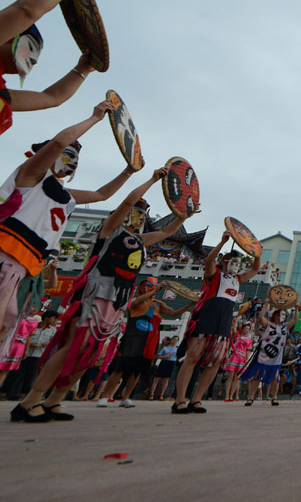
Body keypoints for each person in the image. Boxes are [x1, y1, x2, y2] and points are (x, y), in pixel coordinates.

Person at [12, 167, 186, 422]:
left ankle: (54, 400)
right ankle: (31, 400)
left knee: (90, 353)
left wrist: (184, 213)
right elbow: (126, 201)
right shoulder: (110, 230)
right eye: (134, 212)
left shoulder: (140, 240)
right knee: (73, 346)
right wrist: (152, 179)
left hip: (116, 301)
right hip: (94, 294)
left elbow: (168, 232)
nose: (137, 217)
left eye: (142, 214)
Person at [1, 100, 135, 345]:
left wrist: (129, 171)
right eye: (67, 154)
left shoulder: (66, 197)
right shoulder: (32, 174)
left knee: (4, 335)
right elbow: (59, 142)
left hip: (27, 266)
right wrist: (94, 118)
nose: (72, 160)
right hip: (6, 255)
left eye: (75, 157)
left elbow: (102, 195)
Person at [0, 0, 97, 137]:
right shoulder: (4, 98)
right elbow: (26, 11)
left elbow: (52, 98)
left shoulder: (3, 95)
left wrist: (83, 69)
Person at [172, 234, 261, 414]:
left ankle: (196, 399)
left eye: (238, 263)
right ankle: (180, 399)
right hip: (206, 317)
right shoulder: (214, 274)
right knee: (193, 356)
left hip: (224, 322)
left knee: (217, 360)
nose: (236, 266)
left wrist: (256, 251)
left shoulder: (237, 280)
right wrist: (222, 242)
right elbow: (209, 259)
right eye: (233, 262)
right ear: (225, 261)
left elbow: (255, 269)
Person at [97, 280, 193, 407]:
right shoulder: (136, 301)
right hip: (133, 338)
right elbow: (134, 303)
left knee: (137, 371)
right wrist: (156, 290)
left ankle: (126, 397)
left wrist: (190, 305)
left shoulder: (158, 305)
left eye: (152, 287)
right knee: (120, 369)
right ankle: (105, 396)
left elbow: (174, 313)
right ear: (141, 289)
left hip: (149, 341)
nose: (151, 289)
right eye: (148, 287)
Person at [242, 300, 298, 406]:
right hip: (264, 354)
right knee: (258, 375)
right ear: (275, 315)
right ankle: (250, 397)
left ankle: (274, 397)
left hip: (276, 357)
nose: (282, 316)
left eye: (283, 315)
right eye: (280, 314)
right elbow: (261, 317)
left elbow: (295, 319)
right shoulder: (268, 324)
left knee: (276, 376)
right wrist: (266, 303)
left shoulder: (285, 327)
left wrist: (296, 307)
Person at [4, 309, 57, 399]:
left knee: (31, 375)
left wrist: (46, 344)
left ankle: (24, 393)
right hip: (26, 353)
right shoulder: (34, 326)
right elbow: (26, 336)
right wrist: (29, 344)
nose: (54, 321)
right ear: (46, 318)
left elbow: (53, 342)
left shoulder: (53, 330)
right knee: (18, 373)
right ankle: (11, 392)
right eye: (53, 318)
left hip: (38, 354)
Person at [223, 322, 252, 402]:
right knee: (230, 377)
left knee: (237, 378)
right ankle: (226, 395)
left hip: (242, 358)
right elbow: (233, 333)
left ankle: (231, 395)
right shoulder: (237, 336)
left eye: (248, 329)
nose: (247, 330)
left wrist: (247, 358)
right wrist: (235, 322)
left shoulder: (249, 340)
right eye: (246, 328)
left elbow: (248, 350)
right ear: (242, 329)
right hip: (235, 356)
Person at [149, 336, 178, 401]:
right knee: (157, 378)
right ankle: (152, 394)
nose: (175, 341)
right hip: (164, 362)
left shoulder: (176, 349)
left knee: (166, 379)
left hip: (171, 363)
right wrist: (164, 357)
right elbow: (159, 356)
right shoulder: (165, 348)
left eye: (176, 340)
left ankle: (162, 395)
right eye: (174, 339)